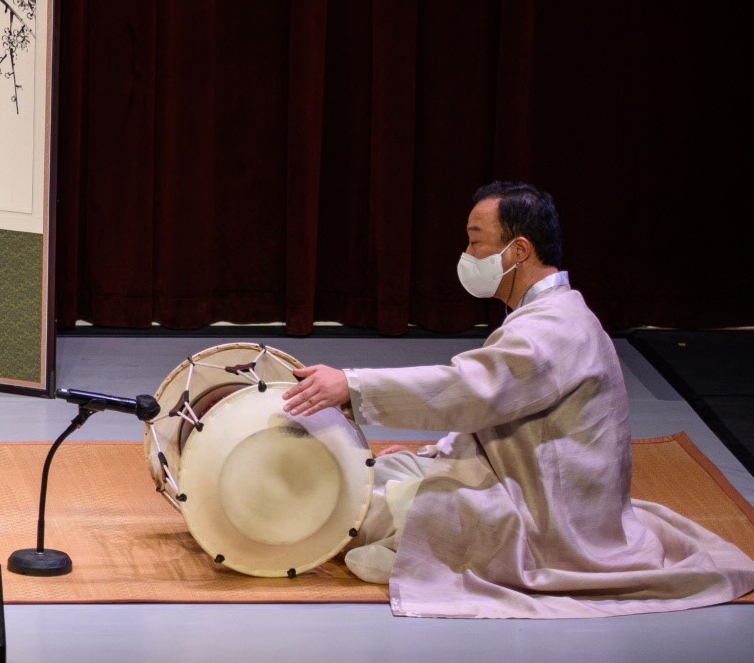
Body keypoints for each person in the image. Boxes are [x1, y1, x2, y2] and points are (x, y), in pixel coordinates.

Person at [281, 181, 754, 618]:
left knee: (350, 511)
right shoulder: (551, 311)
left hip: (546, 516)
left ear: (518, 249)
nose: (467, 253)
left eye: (475, 240)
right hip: (533, 481)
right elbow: (493, 403)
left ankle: (421, 555)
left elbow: (471, 389)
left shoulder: (552, 328)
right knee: (382, 473)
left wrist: (353, 384)